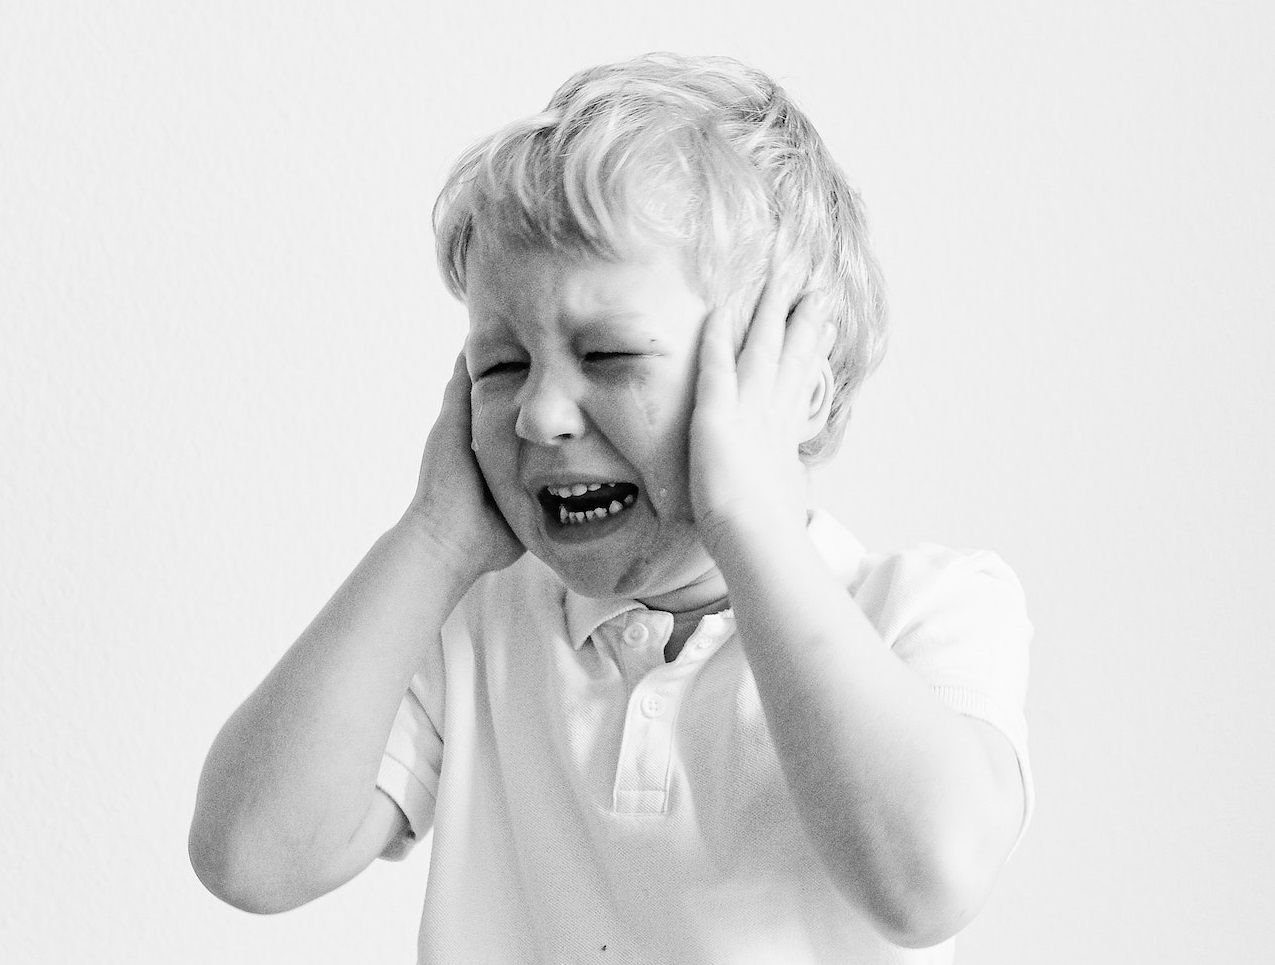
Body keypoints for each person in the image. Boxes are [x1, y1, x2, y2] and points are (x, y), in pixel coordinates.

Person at [189, 52, 1032, 964]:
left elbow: (926, 881)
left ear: (798, 391)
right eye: (501, 366)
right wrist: (433, 539)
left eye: (610, 354)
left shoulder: (925, 610)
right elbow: (249, 858)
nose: (540, 414)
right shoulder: (481, 625)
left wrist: (744, 517)